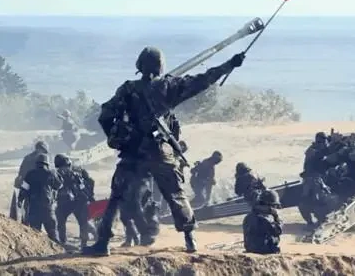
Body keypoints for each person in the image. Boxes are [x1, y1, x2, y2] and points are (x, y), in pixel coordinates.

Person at [82, 46, 245, 256]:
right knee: (176, 194)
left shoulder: (128, 89)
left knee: (117, 197)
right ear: (160, 66)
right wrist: (230, 64)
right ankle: (190, 239)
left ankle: (103, 243)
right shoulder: (170, 86)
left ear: (139, 65)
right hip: (161, 152)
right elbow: (204, 80)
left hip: (133, 153)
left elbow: (105, 114)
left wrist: (117, 137)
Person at [17, 153, 62, 243]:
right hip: (48, 209)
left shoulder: (30, 174)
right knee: (53, 233)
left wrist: (20, 200)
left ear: (36, 163)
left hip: (34, 208)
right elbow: (59, 185)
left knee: (35, 234)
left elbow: (24, 189)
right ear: (47, 163)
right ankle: (59, 252)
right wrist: (57, 174)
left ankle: (37, 253)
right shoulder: (50, 174)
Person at [54, 154, 97, 247]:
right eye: (59, 168)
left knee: (83, 221)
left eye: (64, 168)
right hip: (66, 201)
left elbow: (90, 182)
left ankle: (85, 242)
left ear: (68, 165)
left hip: (80, 200)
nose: (62, 170)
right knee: (60, 218)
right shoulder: (57, 174)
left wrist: (90, 196)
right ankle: (63, 242)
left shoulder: (78, 172)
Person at [12, 140, 50, 223]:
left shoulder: (27, 157)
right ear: (41, 149)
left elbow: (21, 172)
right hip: (37, 187)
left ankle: (26, 223)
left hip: (27, 185)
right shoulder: (41, 158)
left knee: (27, 206)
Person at [243, 189, 283, 254]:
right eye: (274, 206)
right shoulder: (265, 219)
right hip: (263, 250)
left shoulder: (249, 216)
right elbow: (278, 231)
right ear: (269, 205)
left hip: (249, 249)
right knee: (276, 238)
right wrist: (276, 217)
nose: (275, 208)